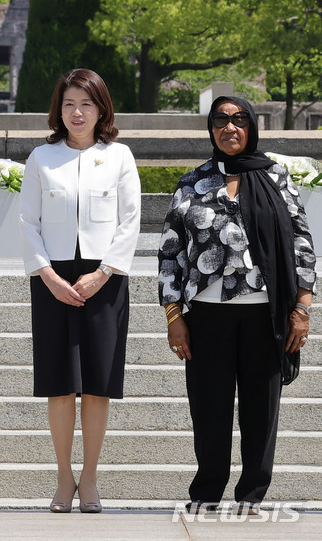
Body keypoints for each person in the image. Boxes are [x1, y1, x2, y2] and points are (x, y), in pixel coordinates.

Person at [159, 96, 316, 514]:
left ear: (251, 127)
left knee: (260, 408)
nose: (230, 127)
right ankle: (207, 490)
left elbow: (302, 243)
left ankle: (251, 494)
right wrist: (174, 316)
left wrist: (302, 308)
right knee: (208, 405)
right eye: (221, 120)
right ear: (210, 128)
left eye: (239, 119)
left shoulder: (276, 177)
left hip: (266, 312)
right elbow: (170, 253)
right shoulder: (192, 182)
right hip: (207, 314)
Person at [19, 68, 141, 513]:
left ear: (101, 108)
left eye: (86, 104)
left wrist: (102, 273)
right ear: (59, 108)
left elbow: (130, 222)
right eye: (69, 103)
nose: (77, 112)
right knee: (58, 383)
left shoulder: (120, 157)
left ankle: (89, 478)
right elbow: (26, 223)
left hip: (103, 280)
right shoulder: (41, 158)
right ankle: (63, 478)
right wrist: (48, 277)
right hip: (53, 279)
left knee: (96, 385)